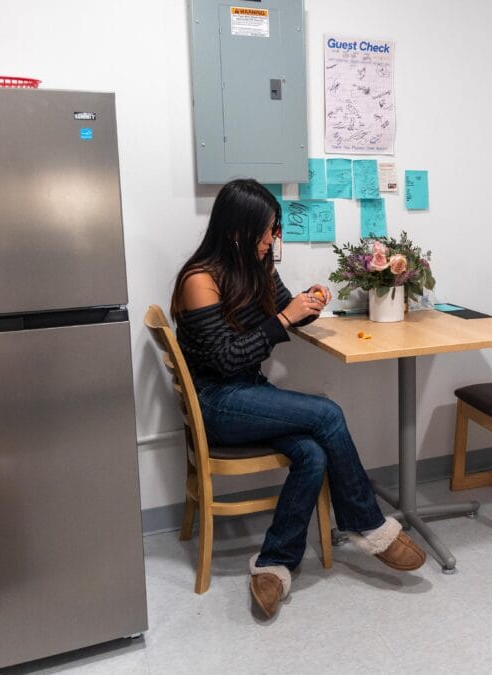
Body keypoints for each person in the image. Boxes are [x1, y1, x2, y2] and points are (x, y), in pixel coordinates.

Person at [170, 179, 425, 618]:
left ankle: (275, 564)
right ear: (237, 231)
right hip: (217, 403)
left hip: (249, 393)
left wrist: (309, 303)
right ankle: (368, 524)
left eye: (275, 230)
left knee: (312, 453)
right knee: (327, 414)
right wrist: (285, 318)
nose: (273, 239)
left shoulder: (258, 264)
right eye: (267, 230)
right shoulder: (200, 280)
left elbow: (287, 313)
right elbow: (228, 359)